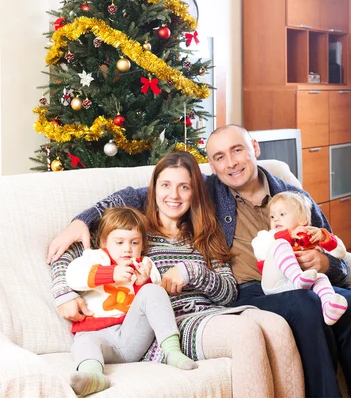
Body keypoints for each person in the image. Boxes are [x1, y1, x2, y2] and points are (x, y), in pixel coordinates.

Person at [47, 125, 351, 398]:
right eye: (219, 157)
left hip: (295, 281)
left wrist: (324, 263)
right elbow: (139, 197)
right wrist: (83, 221)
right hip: (250, 291)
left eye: (237, 150)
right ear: (212, 165)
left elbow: (337, 259)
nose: (230, 163)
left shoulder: (292, 198)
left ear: (254, 148)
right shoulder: (192, 200)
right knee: (303, 306)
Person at [51, 150, 303, 398]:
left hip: (213, 312)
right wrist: (63, 294)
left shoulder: (206, 235)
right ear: (154, 189)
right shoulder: (136, 234)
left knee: (278, 326)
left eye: (184, 187)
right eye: (166, 185)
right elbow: (72, 251)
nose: (174, 195)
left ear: (194, 193)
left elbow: (228, 293)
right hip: (173, 323)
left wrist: (191, 271)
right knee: (244, 333)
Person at [66, 206, 196, 396]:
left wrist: (144, 282)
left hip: (132, 336)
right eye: (119, 242)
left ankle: (172, 351)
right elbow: (73, 276)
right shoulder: (95, 258)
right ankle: (93, 376)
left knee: (153, 291)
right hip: (97, 336)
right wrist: (112, 273)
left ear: (142, 244)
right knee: (83, 343)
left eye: (134, 242)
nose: (127, 249)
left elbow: (156, 304)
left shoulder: (145, 265)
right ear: (104, 242)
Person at [252, 190, 348, 325]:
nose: (276, 219)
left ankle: (329, 308)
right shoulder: (269, 236)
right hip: (274, 285)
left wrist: (324, 236)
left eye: (282, 214)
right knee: (280, 244)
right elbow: (259, 250)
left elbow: (340, 253)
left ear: (303, 219)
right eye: (272, 216)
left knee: (321, 278)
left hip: (298, 288)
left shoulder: (311, 236)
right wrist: (288, 235)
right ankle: (298, 279)